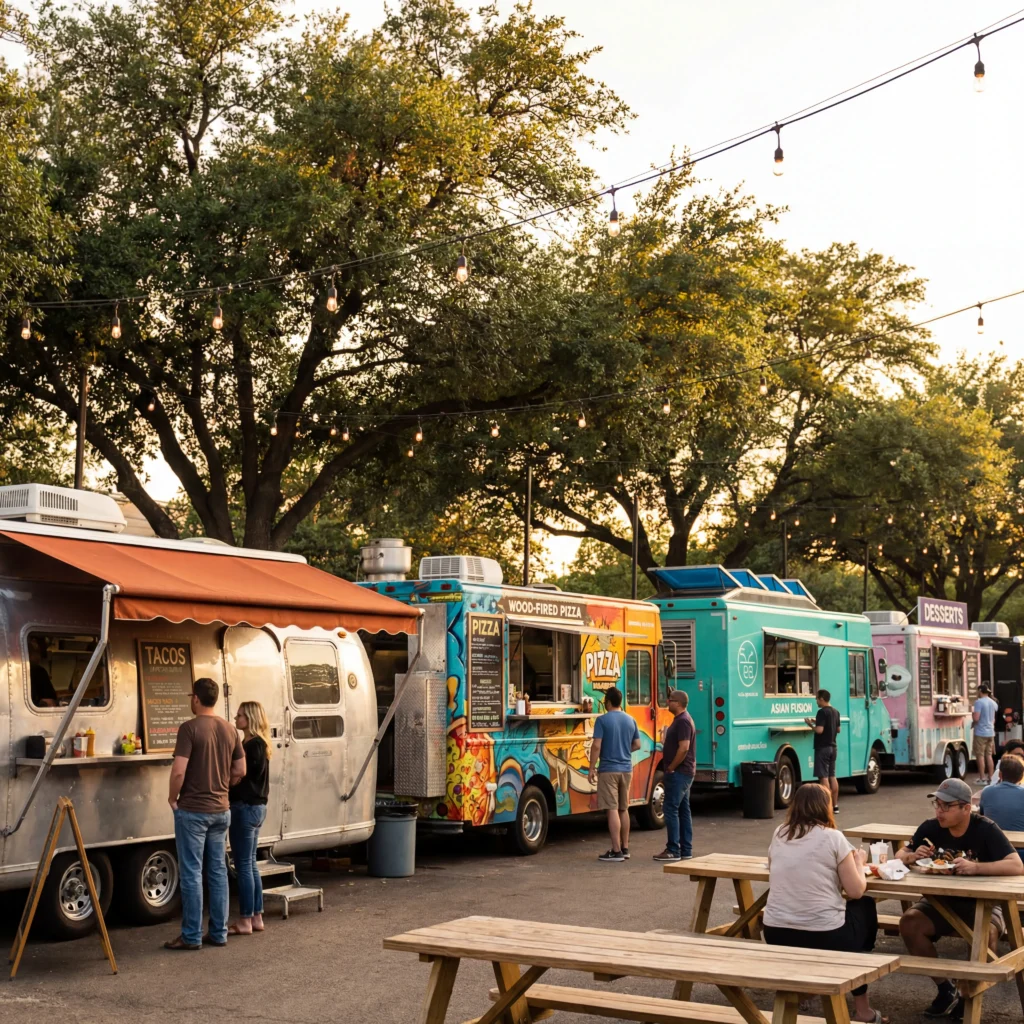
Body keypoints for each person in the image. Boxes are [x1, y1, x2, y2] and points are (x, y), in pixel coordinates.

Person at [897, 778, 1023, 1017]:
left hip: (983, 903)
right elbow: (901, 852)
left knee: (984, 939)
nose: (939, 811)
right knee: (909, 923)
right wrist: (911, 857)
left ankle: (967, 995)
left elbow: (1017, 865)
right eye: (937, 804)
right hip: (941, 902)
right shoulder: (930, 828)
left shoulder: (985, 828)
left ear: (966, 808)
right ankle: (945, 989)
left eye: (946, 806)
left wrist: (977, 868)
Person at [762, 784, 887, 1024]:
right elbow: (856, 890)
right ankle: (863, 1010)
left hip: (776, 932)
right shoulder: (833, 837)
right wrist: (859, 861)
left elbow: (772, 865)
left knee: (822, 919)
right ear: (826, 807)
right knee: (865, 908)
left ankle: (804, 993)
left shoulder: (780, 832)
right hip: (825, 935)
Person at [165, 677, 245, 951]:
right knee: (218, 872)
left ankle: (191, 936)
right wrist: (224, 786)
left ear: (196, 698)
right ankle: (219, 933)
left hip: (194, 811)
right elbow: (240, 770)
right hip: (221, 810)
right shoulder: (230, 729)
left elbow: (179, 770)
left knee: (191, 873)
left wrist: (172, 798)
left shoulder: (189, 728)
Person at [228, 701, 272, 935]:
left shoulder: (250, 745)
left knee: (243, 864)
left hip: (244, 808)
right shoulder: (261, 744)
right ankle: (257, 917)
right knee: (251, 863)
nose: (236, 718)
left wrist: (228, 781)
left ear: (251, 719)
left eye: (241, 715)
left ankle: (245, 920)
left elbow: (240, 776)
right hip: (258, 808)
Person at [588, 686, 640, 863]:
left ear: (608, 702)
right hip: (626, 769)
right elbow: (638, 744)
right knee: (623, 808)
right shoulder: (631, 720)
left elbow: (596, 746)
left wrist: (591, 767)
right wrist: (625, 750)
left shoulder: (602, 721)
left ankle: (616, 851)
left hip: (608, 769)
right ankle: (625, 848)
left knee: (611, 808)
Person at [652, 689, 696, 863]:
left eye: (670, 700)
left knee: (670, 809)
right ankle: (686, 849)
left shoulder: (683, 721)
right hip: (684, 772)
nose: (667, 702)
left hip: (679, 772)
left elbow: (684, 747)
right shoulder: (681, 720)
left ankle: (673, 849)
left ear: (677, 703)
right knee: (683, 810)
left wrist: (671, 767)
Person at [979, 754, 1024, 862]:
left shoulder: (987, 791)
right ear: (1022, 776)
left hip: (993, 851)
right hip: (1021, 852)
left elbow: (982, 814)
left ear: (1000, 774)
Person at [804, 689, 841, 812]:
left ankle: (826, 806)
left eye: (817, 699)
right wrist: (818, 722)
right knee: (832, 776)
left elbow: (819, 730)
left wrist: (810, 725)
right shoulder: (836, 712)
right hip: (833, 747)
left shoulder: (821, 712)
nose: (816, 701)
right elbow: (838, 729)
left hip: (822, 748)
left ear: (822, 699)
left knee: (823, 777)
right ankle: (835, 806)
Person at [972, 683, 998, 784]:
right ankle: (991, 777)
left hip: (980, 732)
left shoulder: (979, 702)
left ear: (980, 691)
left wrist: (972, 716)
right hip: (991, 732)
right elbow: (993, 720)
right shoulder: (993, 702)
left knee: (980, 755)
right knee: (989, 755)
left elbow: (976, 718)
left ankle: (982, 778)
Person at [28, 636, 57, 707]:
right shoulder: (38, 671)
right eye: (38, 652)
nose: (39, 657)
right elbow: (51, 699)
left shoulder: (39, 671)